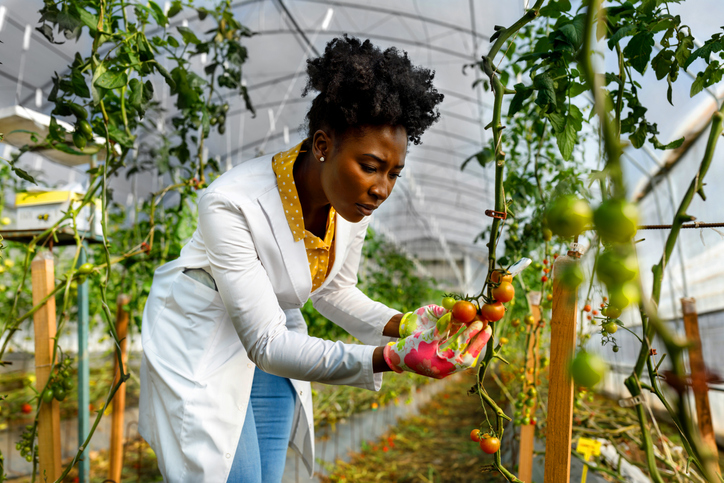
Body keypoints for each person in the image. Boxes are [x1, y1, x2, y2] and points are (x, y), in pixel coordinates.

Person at [138, 35, 491, 483]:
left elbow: (334, 291)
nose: (382, 188)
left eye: (393, 173)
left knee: (268, 473)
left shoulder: (351, 206)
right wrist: (392, 357)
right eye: (370, 166)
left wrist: (405, 325)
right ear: (323, 145)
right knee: (231, 474)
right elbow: (265, 343)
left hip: (275, 328)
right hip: (203, 331)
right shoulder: (232, 202)